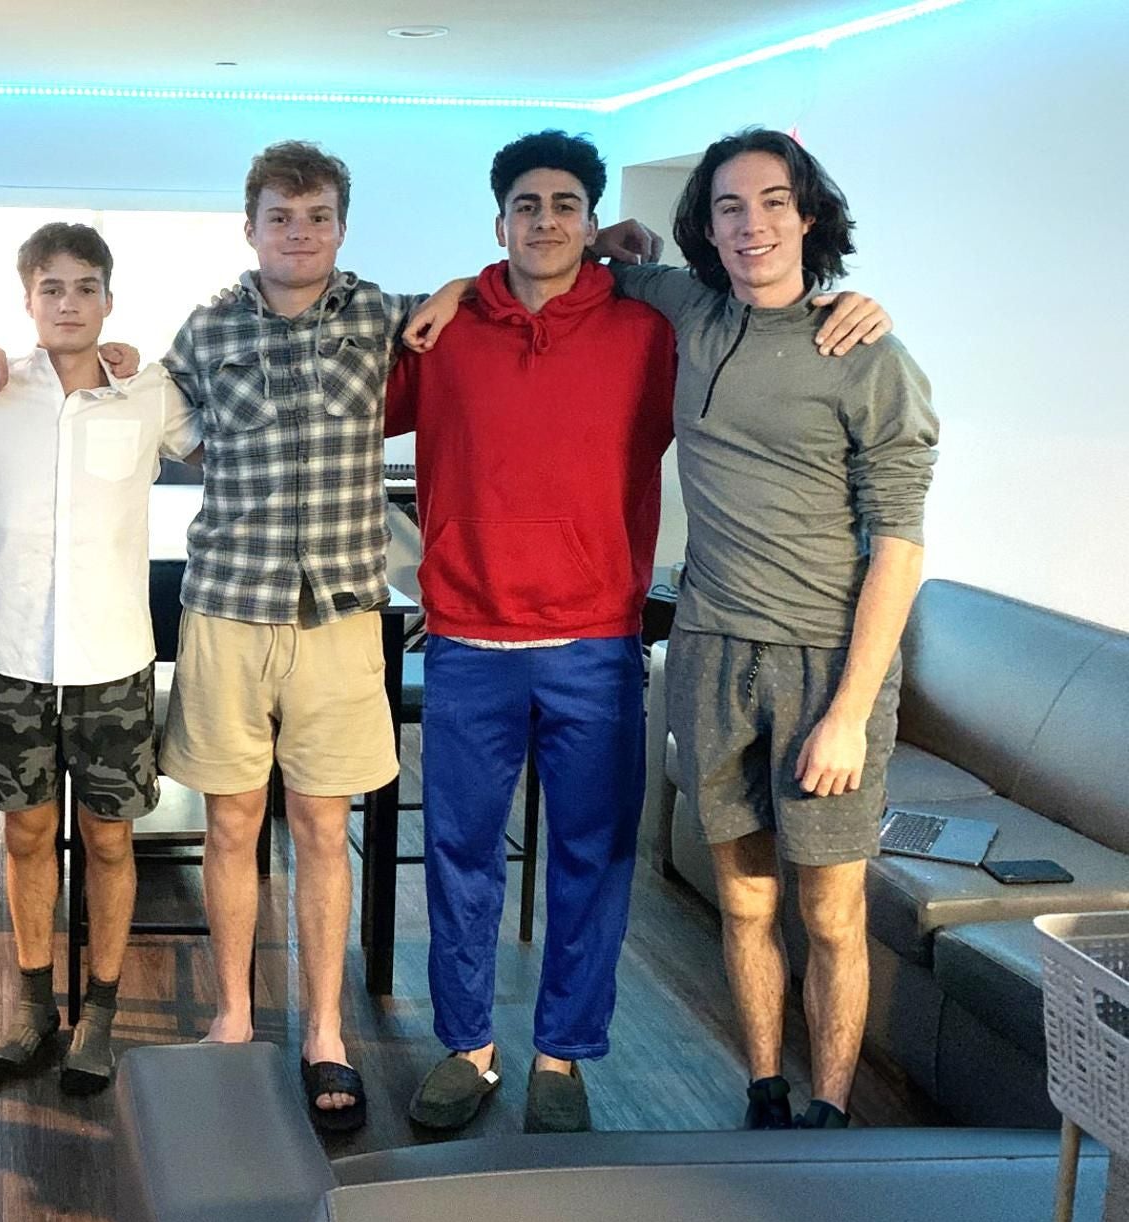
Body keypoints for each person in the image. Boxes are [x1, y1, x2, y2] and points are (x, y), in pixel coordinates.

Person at [601, 130, 937, 1129]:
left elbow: (901, 549)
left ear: (810, 215)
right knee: (744, 903)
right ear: (705, 225)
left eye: (774, 202)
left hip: (824, 666)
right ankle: (764, 1088)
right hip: (708, 649)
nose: (754, 225)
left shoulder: (868, 352)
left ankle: (829, 1111)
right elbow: (581, 253)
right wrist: (617, 240)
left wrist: (848, 712)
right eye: (731, 207)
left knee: (830, 913)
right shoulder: (689, 311)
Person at [383, 131, 675, 1133]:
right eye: (525, 204)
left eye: (563, 204)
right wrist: (453, 290)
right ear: (498, 221)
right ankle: (468, 1045)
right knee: (461, 851)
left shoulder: (648, 333)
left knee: (590, 858)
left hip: (595, 643)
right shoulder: (443, 333)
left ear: (592, 223)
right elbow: (344, 403)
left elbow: (742, 335)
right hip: (469, 638)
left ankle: (562, 1054)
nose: (543, 220)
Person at [161, 141, 420, 1132]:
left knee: (321, 829)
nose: (299, 233)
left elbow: (490, 301)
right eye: (281, 216)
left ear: (341, 228)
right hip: (229, 604)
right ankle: (233, 1017)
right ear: (251, 225)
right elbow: (152, 415)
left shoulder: (387, 318)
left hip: (342, 615)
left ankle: (324, 1031)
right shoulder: (208, 327)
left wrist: (618, 247)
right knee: (230, 826)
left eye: (317, 217)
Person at [0, 222, 199, 1095]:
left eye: (86, 287)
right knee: (26, 830)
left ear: (109, 300)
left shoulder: (146, 389)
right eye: (52, 288)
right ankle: (34, 1006)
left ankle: (105, 1014)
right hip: (11, 651)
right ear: (28, 300)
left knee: (111, 838)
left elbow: (223, 438)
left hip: (115, 655)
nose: (70, 302)